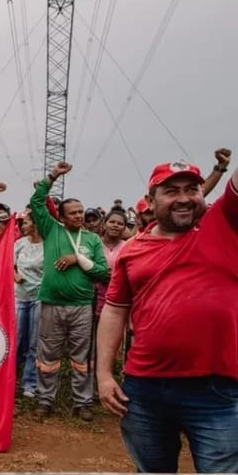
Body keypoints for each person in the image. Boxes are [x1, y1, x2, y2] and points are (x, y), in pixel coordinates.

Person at [97, 151, 238, 473]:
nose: (184, 198)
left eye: (192, 189)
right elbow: (115, 312)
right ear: (150, 199)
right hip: (144, 389)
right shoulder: (132, 250)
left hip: (216, 390)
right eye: (172, 191)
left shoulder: (225, 223)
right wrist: (104, 376)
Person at [30, 162, 109, 421]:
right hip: (51, 303)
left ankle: (83, 402)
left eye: (80, 212)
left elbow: (103, 273)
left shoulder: (92, 240)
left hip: (82, 305)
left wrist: (79, 260)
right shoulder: (51, 230)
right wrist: (53, 175)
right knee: (47, 356)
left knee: (81, 358)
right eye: (72, 213)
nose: (77, 216)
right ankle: (45, 400)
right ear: (61, 217)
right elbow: (36, 199)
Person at [13, 210, 44, 398]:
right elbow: (8, 264)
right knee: (15, 341)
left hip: (39, 297)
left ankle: (29, 384)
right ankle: (10, 380)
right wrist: (15, 275)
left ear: (35, 223)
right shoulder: (19, 244)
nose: (22, 226)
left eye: (25, 223)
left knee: (34, 343)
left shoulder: (48, 245)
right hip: (19, 296)